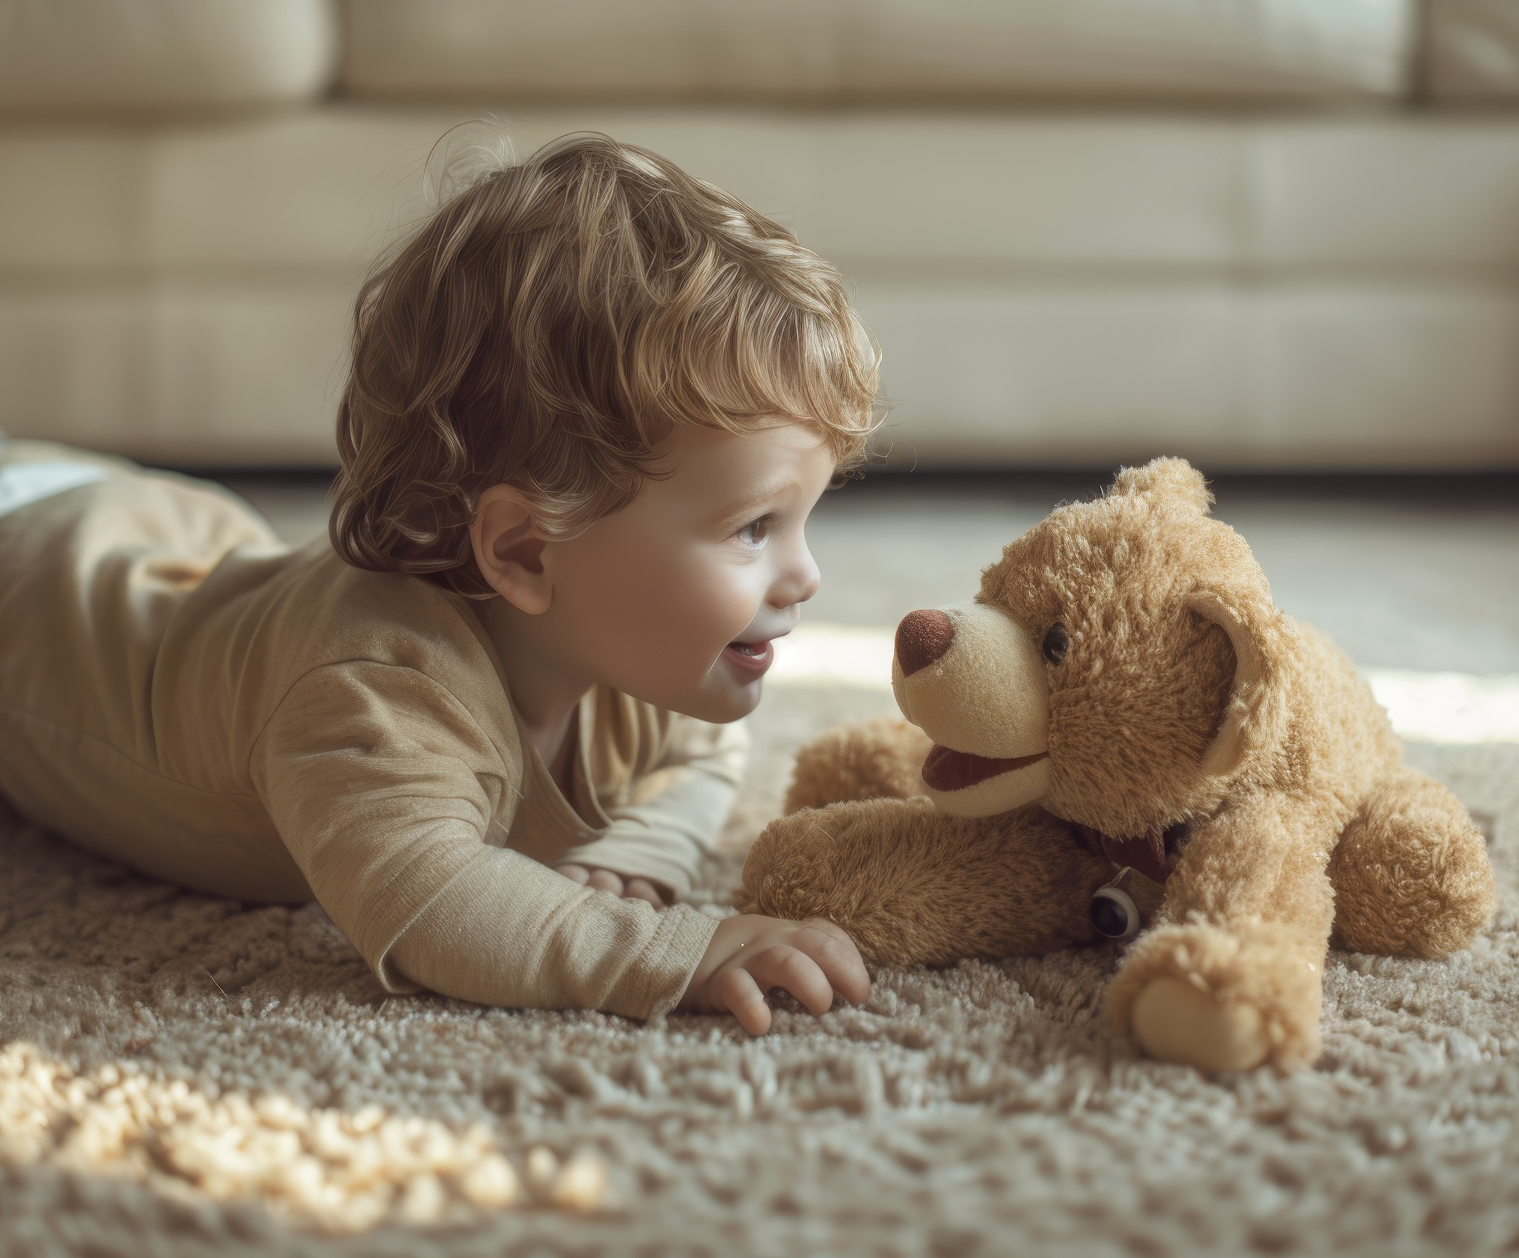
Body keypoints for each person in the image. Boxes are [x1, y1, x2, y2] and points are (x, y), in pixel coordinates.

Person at [0, 132, 878, 1034]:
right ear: (527, 553)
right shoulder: (374, 689)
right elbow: (426, 901)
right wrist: (675, 947)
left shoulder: (637, 654)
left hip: (171, 530)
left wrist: (644, 849)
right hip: (36, 576)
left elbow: (698, 754)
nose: (805, 575)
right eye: (752, 528)